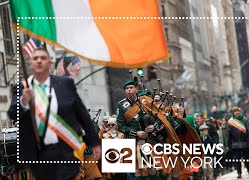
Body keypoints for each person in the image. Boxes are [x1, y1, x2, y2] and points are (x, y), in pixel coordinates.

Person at [8, 47, 101, 180]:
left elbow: (82, 114)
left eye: (43, 58)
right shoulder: (22, 88)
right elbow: (12, 113)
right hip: (37, 153)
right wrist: (23, 101)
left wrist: (94, 142)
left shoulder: (64, 84)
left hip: (65, 149)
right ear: (31, 63)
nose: (39, 61)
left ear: (50, 63)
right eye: (35, 58)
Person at [116, 79, 157, 180]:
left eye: (131, 87)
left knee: (151, 167)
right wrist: (136, 133)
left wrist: (154, 127)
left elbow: (158, 117)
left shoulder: (145, 101)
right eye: (127, 88)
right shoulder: (121, 105)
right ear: (125, 91)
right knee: (137, 169)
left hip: (147, 139)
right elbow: (120, 126)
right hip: (131, 140)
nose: (129, 90)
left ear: (136, 89)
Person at [227, 107, 249, 179]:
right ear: (233, 113)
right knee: (237, 160)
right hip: (235, 145)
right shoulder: (230, 122)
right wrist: (229, 144)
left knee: (247, 158)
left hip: (245, 143)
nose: (237, 112)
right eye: (235, 111)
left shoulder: (245, 120)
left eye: (238, 111)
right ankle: (239, 173)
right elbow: (228, 134)